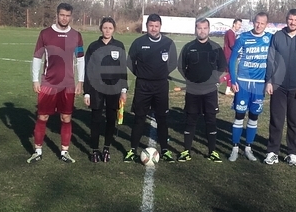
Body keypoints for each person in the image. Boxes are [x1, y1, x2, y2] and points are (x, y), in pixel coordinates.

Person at [27, 3, 84, 164]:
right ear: (57, 15)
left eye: (67, 15)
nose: (64, 18)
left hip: (68, 84)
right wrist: (35, 79)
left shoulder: (76, 35)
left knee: (66, 117)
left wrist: (81, 80)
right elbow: (37, 57)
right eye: (62, 15)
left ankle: (64, 151)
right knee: (42, 116)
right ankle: (37, 150)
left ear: (71, 16)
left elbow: (80, 59)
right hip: (48, 83)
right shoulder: (45, 34)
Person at [124, 13, 178, 163]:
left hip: (161, 85)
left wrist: (161, 73)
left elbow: (173, 62)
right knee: (139, 118)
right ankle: (132, 150)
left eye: (156, 26)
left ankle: (165, 150)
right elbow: (130, 62)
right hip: (143, 86)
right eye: (151, 26)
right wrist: (141, 74)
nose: (153, 29)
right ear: (146, 26)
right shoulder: (138, 42)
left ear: (160, 26)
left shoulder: (168, 43)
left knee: (162, 118)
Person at [264, 8, 296, 166]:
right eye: (290, 19)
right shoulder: (277, 36)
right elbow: (270, 60)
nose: (293, 22)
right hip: (278, 86)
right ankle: (272, 152)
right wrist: (269, 81)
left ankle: (292, 153)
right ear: (286, 19)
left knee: (294, 122)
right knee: (276, 120)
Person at [177, 18, 228, 163]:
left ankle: (212, 152)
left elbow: (222, 66)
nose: (202, 31)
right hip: (193, 91)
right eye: (199, 28)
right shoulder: (188, 47)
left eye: (205, 28)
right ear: (195, 29)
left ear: (209, 29)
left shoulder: (216, 47)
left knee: (210, 120)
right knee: (191, 120)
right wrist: (190, 79)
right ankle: (186, 151)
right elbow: (181, 66)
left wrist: (212, 79)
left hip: (210, 91)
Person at [227, 12, 271, 162]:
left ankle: (248, 148)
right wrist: (233, 81)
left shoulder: (270, 39)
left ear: (266, 24)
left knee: (254, 117)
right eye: (257, 22)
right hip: (243, 83)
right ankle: (234, 148)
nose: (259, 26)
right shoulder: (243, 38)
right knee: (239, 116)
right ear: (253, 22)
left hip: (259, 85)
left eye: (262, 23)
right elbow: (232, 60)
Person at [83, 17, 128, 163]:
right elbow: (87, 70)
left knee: (110, 119)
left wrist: (124, 90)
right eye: (105, 28)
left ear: (114, 29)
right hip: (96, 88)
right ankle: (95, 150)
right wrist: (87, 92)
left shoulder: (119, 45)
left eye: (110, 28)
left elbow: (123, 70)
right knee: (96, 119)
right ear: (101, 29)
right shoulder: (93, 46)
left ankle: (106, 148)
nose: (107, 30)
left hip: (114, 89)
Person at [222, 18, 242, 96]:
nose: (240, 26)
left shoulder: (233, 33)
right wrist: (239, 52)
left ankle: (228, 90)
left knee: (231, 72)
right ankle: (218, 81)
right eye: (239, 24)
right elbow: (232, 45)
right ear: (234, 24)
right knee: (231, 73)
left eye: (241, 25)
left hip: (230, 55)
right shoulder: (230, 33)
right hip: (228, 55)